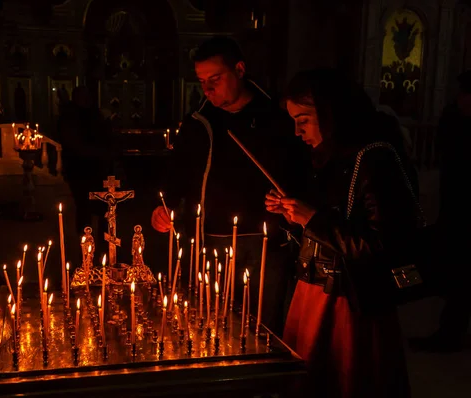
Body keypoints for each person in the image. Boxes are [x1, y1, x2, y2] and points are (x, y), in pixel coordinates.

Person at [265, 68, 415, 397]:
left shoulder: (375, 159)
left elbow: (383, 241)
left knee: (348, 378)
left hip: (349, 301)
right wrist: (294, 213)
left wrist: (313, 220)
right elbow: (333, 219)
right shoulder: (329, 157)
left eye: (303, 119)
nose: (296, 131)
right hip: (315, 291)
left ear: (332, 113)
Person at [151, 36, 309, 335]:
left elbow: (301, 171)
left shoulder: (278, 117)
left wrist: (290, 202)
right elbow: (178, 172)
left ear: (239, 69)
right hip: (210, 239)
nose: (208, 89)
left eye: (215, 79)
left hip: (266, 242)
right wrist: (165, 205)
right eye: (201, 81)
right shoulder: (198, 121)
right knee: (215, 326)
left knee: (262, 329)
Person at [409, 70, 471, 352]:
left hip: (461, 212)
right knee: (459, 277)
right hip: (456, 211)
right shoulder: (455, 122)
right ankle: (450, 331)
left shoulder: (459, 125)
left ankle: (450, 333)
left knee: (461, 277)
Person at [58, 85, 116, 236]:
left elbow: (104, 136)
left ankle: (106, 243)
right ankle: (86, 246)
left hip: (98, 170)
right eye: (83, 96)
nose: (87, 100)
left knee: (104, 208)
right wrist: (100, 152)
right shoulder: (70, 116)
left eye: (88, 96)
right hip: (80, 170)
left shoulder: (94, 114)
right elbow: (74, 144)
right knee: (84, 209)